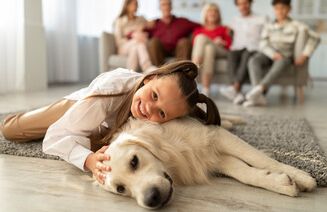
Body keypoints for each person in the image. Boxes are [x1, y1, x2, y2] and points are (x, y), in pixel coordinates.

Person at [0, 61, 220, 185]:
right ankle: (37, 111)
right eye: (153, 95)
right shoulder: (110, 92)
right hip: (79, 103)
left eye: (161, 113)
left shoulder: (168, 108)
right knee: (10, 129)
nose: (149, 109)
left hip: (103, 123)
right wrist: (88, 160)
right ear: (150, 79)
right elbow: (56, 137)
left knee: (95, 138)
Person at [244, 0, 320, 107]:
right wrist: (272, 54)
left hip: (285, 56)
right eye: (276, 8)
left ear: (289, 8)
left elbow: (316, 37)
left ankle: (259, 90)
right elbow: (263, 43)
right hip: (269, 54)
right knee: (253, 60)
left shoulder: (297, 25)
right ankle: (258, 96)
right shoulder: (269, 25)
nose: (280, 11)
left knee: (281, 62)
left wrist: (304, 55)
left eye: (283, 8)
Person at [220, 0, 268, 104]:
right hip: (237, 49)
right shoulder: (234, 20)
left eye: (245, 3)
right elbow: (227, 34)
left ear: (251, 3)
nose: (243, 6)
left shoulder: (262, 18)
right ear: (237, 6)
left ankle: (235, 88)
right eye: (240, 4)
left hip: (254, 48)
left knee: (246, 54)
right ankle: (237, 94)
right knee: (231, 54)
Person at [146, 0, 200, 67]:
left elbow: (201, 26)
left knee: (185, 41)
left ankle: (181, 73)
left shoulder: (182, 21)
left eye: (168, 4)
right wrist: (142, 27)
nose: (166, 7)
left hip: (178, 50)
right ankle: (159, 73)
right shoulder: (154, 23)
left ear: (171, 7)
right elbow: (135, 32)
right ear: (159, 7)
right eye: (163, 5)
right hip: (160, 51)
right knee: (153, 42)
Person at [191, 3, 232, 97]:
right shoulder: (198, 29)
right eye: (210, 11)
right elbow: (195, 46)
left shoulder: (224, 28)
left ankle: (192, 70)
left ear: (219, 14)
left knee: (201, 38)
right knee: (209, 48)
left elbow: (230, 46)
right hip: (211, 50)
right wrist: (212, 42)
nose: (213, 13)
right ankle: (206, 90)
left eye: (215, 11)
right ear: (205, 14)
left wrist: (222, 43)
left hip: (221, 51)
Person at [113, 0, 156, 72]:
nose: (137, 6)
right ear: (127, 6)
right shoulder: (119, 20)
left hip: (139, 45)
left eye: (137, 4)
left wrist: (148, 25)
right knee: (137, 40)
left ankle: (130, 74)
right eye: (135, 4)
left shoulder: (141, 19)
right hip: (123, 48)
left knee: (135, 48)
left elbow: (150, 28)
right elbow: (119, 41)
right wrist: (132, 35)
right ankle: (147, 67)